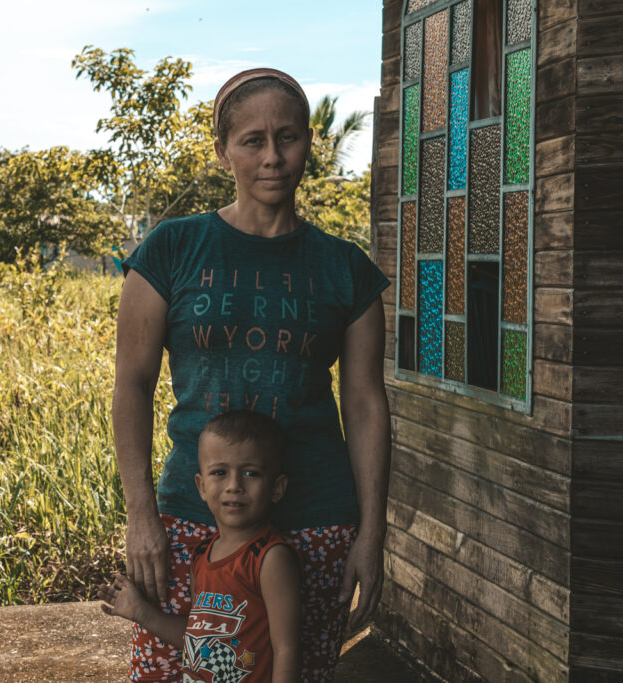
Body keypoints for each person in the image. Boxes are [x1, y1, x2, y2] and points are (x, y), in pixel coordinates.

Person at [113, 67, 391, 682]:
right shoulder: (172, 250)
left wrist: (372, 532)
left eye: (287, 138)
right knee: (174, 671)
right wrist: (141, 515)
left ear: (308, 145)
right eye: (253, 140)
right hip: (194, 518)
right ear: (223, 151)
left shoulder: (347, 270)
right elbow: (132, 383)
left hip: (314, 520)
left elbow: (367, 404)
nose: (273, 157)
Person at [100, 410, 301, 682]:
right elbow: (198, 640)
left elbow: (287, 648)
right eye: (220, 472)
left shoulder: (270, 558)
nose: (234, 486)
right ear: (202, 486)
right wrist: (140, 612)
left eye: (251, 473)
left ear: (277, 488)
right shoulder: (203, 555)